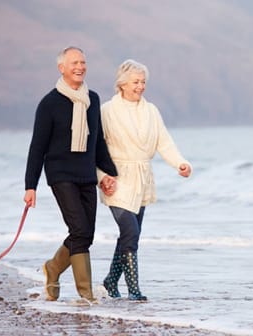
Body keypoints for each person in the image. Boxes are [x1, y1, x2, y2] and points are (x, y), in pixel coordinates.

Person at [23, 46, 118, 304]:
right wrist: (30, 186)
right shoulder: (49, 103)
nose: (80, 67)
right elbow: (37, 147)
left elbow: (97, 141)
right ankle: (86, 293)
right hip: (60, 174)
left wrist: (110, 173)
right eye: (74, 62)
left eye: (83, 62)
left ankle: (53, 268)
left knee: (86, 234)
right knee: (79, 228)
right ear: (61, 68)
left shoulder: (93, 99)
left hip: (86, 174)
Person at [97, 59, 192, 301]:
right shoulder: (107, 110)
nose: (141, 86)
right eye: (136, 82)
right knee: (130, 230)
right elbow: (97, 147)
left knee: (131, 234)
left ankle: (109, 282)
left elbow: (164, 141)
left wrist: (180, 163)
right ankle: (134, 289)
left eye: (143, 82)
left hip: (142, 178)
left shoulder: (151, 111)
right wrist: (101, 176)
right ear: (122, 84)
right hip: (116, 178)